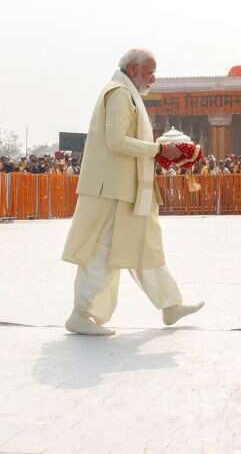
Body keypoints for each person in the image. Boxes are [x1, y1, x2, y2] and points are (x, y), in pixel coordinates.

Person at [61, 48, 204, 335]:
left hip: (129, 189)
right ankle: (80, 313)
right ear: (134, 69)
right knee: (104, 252)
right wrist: (159, 150)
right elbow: (116, 141)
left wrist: (159, 152)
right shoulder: (119, 94)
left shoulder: (127, 93)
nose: (154, 77)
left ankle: (170, 305)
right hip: (113, 190)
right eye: (150, 71)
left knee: (143, 247)